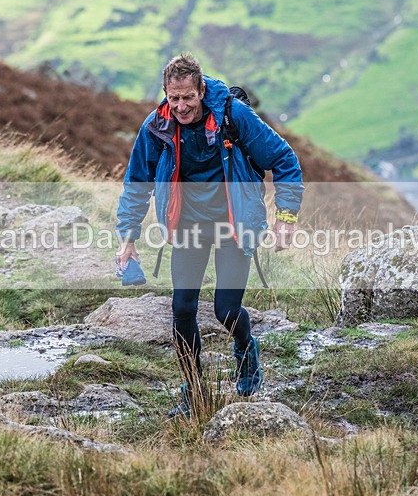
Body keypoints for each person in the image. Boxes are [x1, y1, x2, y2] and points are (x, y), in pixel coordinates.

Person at [116, 53, 303, 416]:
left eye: (188, 97)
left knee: (226, 310)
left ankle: (246, 349)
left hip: (234, 225)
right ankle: (193, 390)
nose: (181, 106)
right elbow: (137, 183)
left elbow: (283, 158)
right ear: (165, 94)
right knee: (182, 308)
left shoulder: (234, 116)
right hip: (188, 226)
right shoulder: (157, 126)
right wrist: (128, 237)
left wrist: (285, 217)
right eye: (174, 98)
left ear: (201, 90)